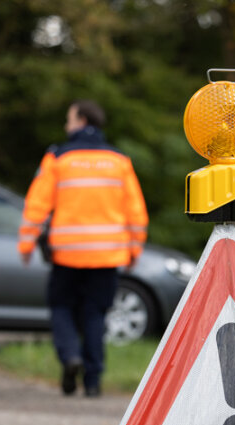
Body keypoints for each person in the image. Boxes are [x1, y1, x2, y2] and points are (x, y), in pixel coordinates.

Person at [18, 100, 148, 397]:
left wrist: (26, 243)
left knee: (61, 308)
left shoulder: (58, 157)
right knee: (94, 315)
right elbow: (136, 210)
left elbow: (37, 204)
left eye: (69, 120)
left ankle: (70, 357)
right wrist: (135, 250)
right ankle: (92, 382)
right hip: (107, 255)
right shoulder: (119, 161)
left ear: (82, 121)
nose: (66, 126)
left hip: (67, 254)